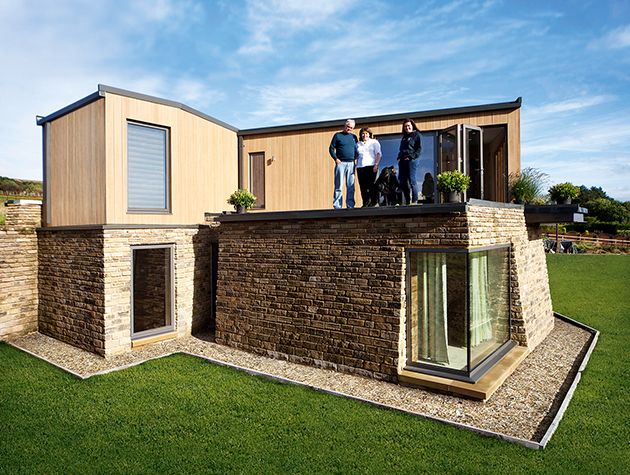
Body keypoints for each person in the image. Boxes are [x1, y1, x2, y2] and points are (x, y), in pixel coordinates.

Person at [329, 119, 358, 209]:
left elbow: (357, 149)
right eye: (348, 127)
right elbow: (331, 148)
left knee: (351, 186)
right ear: (345, 126)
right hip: (341, 163)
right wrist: (336, 159)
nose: (349, 129)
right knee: (339, 185)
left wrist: (356, 158)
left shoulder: (354, 137)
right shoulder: (337, 136)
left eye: (352, 128)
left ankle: (350, 205)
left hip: (351, 164)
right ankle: (337, 206)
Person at [397, 118, 422, 205]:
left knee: (412, 180)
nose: (407, 127)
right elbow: (401, 149)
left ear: (412, 126)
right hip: (402, 161)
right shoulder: (404, 138)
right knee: (403, 181)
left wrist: (411, 157)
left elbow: (419, 149)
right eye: (405, 126)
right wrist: (399, 158)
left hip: (412, 161)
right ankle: (408, 201)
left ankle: (414, 201)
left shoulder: (416, 135)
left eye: (408, 126)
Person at [355, 127, 381, 207]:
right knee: (363, 186)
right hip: (360, 167)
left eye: (366, 133)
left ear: (369, 134)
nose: (364, 135)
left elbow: (378, 154)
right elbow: (356, 156)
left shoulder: (374, 142)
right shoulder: (358, 144)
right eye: (363, 133)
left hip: (371, 166)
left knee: (372, 185)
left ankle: (374, 202)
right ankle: (365, 203)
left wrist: (376, 164)